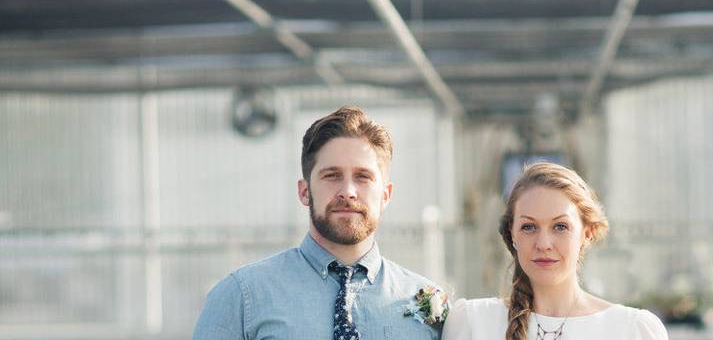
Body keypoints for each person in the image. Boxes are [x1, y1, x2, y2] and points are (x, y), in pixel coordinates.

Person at [194, 106, 443, 339]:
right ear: (304, 191)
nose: (348, 191)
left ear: (386, 195)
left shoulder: (428, 304)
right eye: (332, 176)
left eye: (363, 177)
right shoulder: (241, 296)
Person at [442, 162, 668, 340]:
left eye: (560, 226)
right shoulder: (472, 322)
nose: (543, 243)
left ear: (586, 233)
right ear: (512, 233)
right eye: (529, 227)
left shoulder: (632, 330)